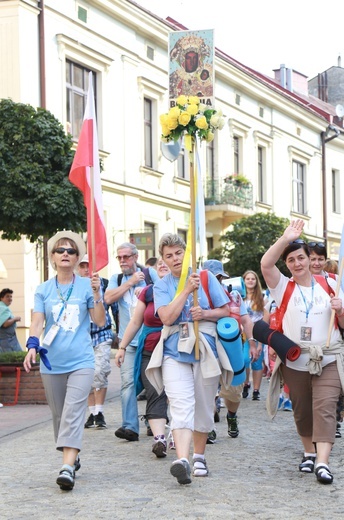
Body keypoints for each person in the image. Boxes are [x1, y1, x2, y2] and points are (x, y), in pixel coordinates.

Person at [261, 219, 344, 485]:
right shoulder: (283, 286)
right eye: (291, 260)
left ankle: (322, 462)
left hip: (328, 357)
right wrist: (285, 239)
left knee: (325, 407)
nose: (297, 263)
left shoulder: (330, 285)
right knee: (302, 410)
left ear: (310, 259)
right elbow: (265, 264)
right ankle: (309, 451)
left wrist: (340, 309)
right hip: (295, 360)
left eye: (301, 258)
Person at [146, 233, 234, 485]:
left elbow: (225, 310)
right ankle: (183, 460)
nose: (174, 259)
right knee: (180, 403)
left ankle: (199, 456)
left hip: (204, 346)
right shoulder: (162, 285)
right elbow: (166, 318)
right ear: (163, 259)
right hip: (175, 349)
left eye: (178, 253)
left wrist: (204, 312)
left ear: (186, 253)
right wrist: (185, 290)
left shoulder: (205, 277)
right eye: (168, 255)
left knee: (204, 404)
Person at [23, 231, 105, 491]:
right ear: (53, 257)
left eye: (71, 251)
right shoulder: (43, 290)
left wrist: (98, 294)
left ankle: (66, 467)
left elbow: (100, 321)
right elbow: (37, 321)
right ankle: (73, 453)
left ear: (78, 257)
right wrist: (32, 345)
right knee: (59, 416)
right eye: (61, 250)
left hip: (81, 360)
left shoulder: (87, 285)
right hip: (51, 362)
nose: (66, 254)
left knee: (73, 411)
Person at [115, 257, 170, 457]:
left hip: (176, 349)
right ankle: (160, 439)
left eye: (171, 259)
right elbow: (136, 322)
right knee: (155, 391)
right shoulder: (147, 292)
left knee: (176, 394)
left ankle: (177, 431)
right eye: (161, 261)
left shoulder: (185, 289)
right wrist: (122, 346)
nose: (164, 264)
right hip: (149, 349)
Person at [104, 242, 158, 442]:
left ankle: (154, 421)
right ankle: (130, 427)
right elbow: (108, 298)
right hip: (128, 342)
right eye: (119, 257)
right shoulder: (116, 279)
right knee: (127, 383)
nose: (122, 261)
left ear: (135, 257)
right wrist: (130, 282)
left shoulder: (150, 274)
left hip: (152, 339)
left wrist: (145, 286)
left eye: (126, 257)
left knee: (153, 382)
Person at [202, 260, 257, 439]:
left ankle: (231, 416)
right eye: (211, 277)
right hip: (207, 345)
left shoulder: (234, 296)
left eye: (218, 277)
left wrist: (252, 342)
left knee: (234, 390)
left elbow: (246, 320)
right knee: (207, 387)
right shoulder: (198, 297)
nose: (215, 280)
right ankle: (208, 424)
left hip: (232, 348)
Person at [77, 254, 114, 429]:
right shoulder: (74, 286)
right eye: (82, 266)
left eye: (88, 266)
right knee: (86, 375)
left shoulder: (104, 283)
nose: (85, 269)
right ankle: (92, 413)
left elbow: (112, 306)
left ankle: (99, 411)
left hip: (102, 334)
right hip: (82, 337)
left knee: (100, 371)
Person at [242, 270, 269, 401]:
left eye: (253, 279)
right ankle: (246, 383)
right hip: (243, 335)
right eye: (248, 279)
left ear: (256, 281)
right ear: (244, 281)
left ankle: (256, 390)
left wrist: (261, 342)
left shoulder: (262, 297)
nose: (250, 281)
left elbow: (265, 318)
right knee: (245, 360)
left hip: (258, 334)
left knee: (257, 362)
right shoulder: (239, 297)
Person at [0, 288, 22, 352]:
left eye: (11, 296)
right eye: (7, 296)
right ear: (1, 298)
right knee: (16, 359)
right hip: (7, 340)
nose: (10, 298)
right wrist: (15, 319)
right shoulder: (3, 308)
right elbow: (5, 324)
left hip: (6, 340)